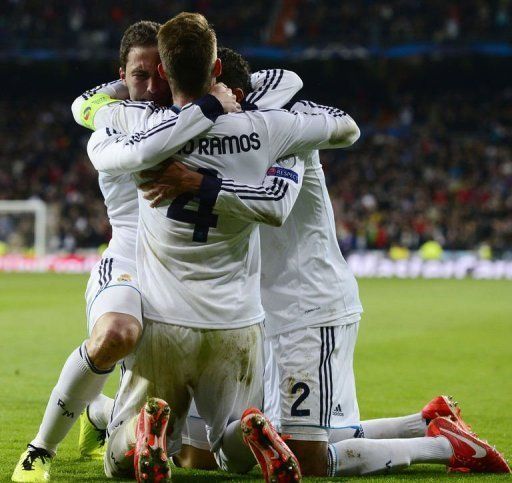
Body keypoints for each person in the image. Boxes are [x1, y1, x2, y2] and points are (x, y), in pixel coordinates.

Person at [137, 47, 511, 477]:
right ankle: (423, 421)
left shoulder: (285, 131)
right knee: (210, 454)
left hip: (307, 305)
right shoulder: (215, 130)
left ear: (233, 92)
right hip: (257, 314)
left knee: (308, 460)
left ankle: (443, 446)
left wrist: (200, 183)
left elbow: (276, 202)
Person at [85, 11, 360, 481]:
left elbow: (93, 116)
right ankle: (254, 428)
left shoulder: (145, 131)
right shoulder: (270, 129)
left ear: (162, 74)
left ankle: (135, 431)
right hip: (237, 323)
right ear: (217, 73)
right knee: (227, 448)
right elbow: (345, 128)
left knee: (121, 458)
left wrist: (105, 106)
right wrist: (271, 105)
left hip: (167, 320)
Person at [11, 20, 240, 483]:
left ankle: (99, 414)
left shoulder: (198, 116)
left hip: (190, 272)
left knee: (188, 448)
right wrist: (211, 103)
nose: (152, 85)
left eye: (161, 72)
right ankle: (38, 451)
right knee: (116, 333)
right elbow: (132, 138)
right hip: (131, 258)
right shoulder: (115, 122)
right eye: (139, 75)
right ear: (121, 76)